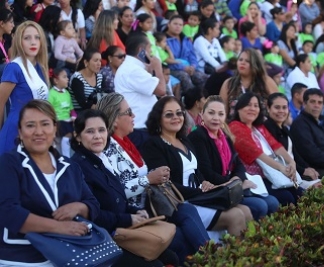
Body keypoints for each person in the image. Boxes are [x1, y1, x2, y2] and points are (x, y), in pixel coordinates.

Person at [95, 93, 210, 264]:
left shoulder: (126, 143)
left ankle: (212, 256)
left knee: (186, 210)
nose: (133, 116)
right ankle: (212, 258)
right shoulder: (108, 150)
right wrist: (148, 179)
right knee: (180, 237)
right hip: (132, 216)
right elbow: (115, 192)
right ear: (115, 119)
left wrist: (155, 176)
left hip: (149, 208)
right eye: (129, 112)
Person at [70, 109, 179, 266]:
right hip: (101, 240)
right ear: (78, 136)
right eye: (90, 131)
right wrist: (129, 219)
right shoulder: (78, 167)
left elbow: (116, 199)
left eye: (101, 130)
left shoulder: (99, 160)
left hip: (119, 230)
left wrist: (135, 212)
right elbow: (93, 214)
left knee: (171, 255)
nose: (97, 136)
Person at [0, 100, 100, 265]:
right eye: (30, 125)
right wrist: (58, 227)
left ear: (55, 129)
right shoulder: (10, 163)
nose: (38, 132)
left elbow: (93, 203)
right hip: (21, 258)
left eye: (45, 124)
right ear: (20, 131)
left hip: (67, 254)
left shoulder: (70, 167)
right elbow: (7, 211)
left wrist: (79, 207)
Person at [142, 96, 252, 237]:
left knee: (246, 211)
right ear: (158, 118)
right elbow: (165, 185)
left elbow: (196, 171)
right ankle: (236, 258)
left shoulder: (184, 140)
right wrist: (201, 193)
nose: (175, 118)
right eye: (169, 114)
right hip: (180, 203)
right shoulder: (153, 145)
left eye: (179, 113)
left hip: (199, 197)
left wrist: (204, 182)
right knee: (235, 215)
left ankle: (252, 256)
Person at [188, 95, 279, 219]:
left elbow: (238, 164)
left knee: (273, 201)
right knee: (260, 206)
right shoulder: (197, 136)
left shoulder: (224, 135)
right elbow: (207, 172)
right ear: (202, 114)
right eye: (211, 113)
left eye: (220, 114)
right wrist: (235, 184)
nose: (216, 118)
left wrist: (237, 180)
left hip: (231, 186)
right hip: (216, 190)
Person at [229, 92, 304, 206]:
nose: (252, 109)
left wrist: (291, 163)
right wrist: (281, 168)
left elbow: (276, 146)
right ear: (239, 108)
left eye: (256, 105)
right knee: (286, 197)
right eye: (248, 105)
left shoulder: (258, 127)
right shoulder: (235, 126)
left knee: (300, 192)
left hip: (270, 174)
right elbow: (256, 153)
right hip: (253, 177)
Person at [0, 21, 49, 156]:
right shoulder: (14, 67)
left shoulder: (40, 68)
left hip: (36, 132)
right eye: (27, 38)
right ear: (19, 42)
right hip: (15, 132)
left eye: (36, 37)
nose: (33, 42)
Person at [114, 33, 166, 150]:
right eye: (149, 48)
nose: (151, 52)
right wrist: (158, 67)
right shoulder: (132, 70)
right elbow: (161, 90)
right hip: (139, 130)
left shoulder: (132, 67)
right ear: (141, 50)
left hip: (142, 128)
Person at [264, 93, 320, 181]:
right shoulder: (266, 129)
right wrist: (303, 171)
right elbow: (279, 159)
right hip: (282, 175)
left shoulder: (285, 129)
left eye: (284, 107)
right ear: (268, 108)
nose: (281, 111)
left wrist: (307, 168)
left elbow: (295, 154)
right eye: (277, 107)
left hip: (295, 172)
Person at [220, 48, 278, 118]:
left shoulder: (266, 81)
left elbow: (278, 105)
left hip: (262, 127)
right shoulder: (228, 83)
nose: (242, 63)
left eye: (247, 61)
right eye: (240, 60)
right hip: (234, 127)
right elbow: (222, 112)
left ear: (255, 64)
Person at [165, 15, 208, 92]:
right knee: (185, 77)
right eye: (175, 24)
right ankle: (190, 101)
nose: (178, 27)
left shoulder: (186, 39)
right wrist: (183, 68)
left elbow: (192, 56)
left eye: (180, 25)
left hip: (188, 68)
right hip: (172, 69)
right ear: (168, 24)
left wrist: (193, 66)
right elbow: (165, 59)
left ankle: (203, 99)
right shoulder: (163, 40)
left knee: (203, 77)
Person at [48, 68, 76, 157]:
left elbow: (71, 108)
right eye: (64, 77)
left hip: (68, 120)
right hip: (58, 120)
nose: (67, 79)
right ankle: (66, 156)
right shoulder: (51, 94)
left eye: (67, 77)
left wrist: (74, 116)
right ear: (56, 80)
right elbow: (49, 109)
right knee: (67, 135)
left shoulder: (67, 93)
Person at [69, 49, 105, 113]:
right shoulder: (77, 78)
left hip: (97, 111)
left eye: (100, 61)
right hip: (80, 113)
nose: (99, 64)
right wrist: (102, 107)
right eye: (96, 60)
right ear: (86, 62)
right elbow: (83, 103)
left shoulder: (100, 77)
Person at [0, 9, 14, 76]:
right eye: (11, 22)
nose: (13, 25)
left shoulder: (7, 37)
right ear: (2, 23)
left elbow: (11, 58)